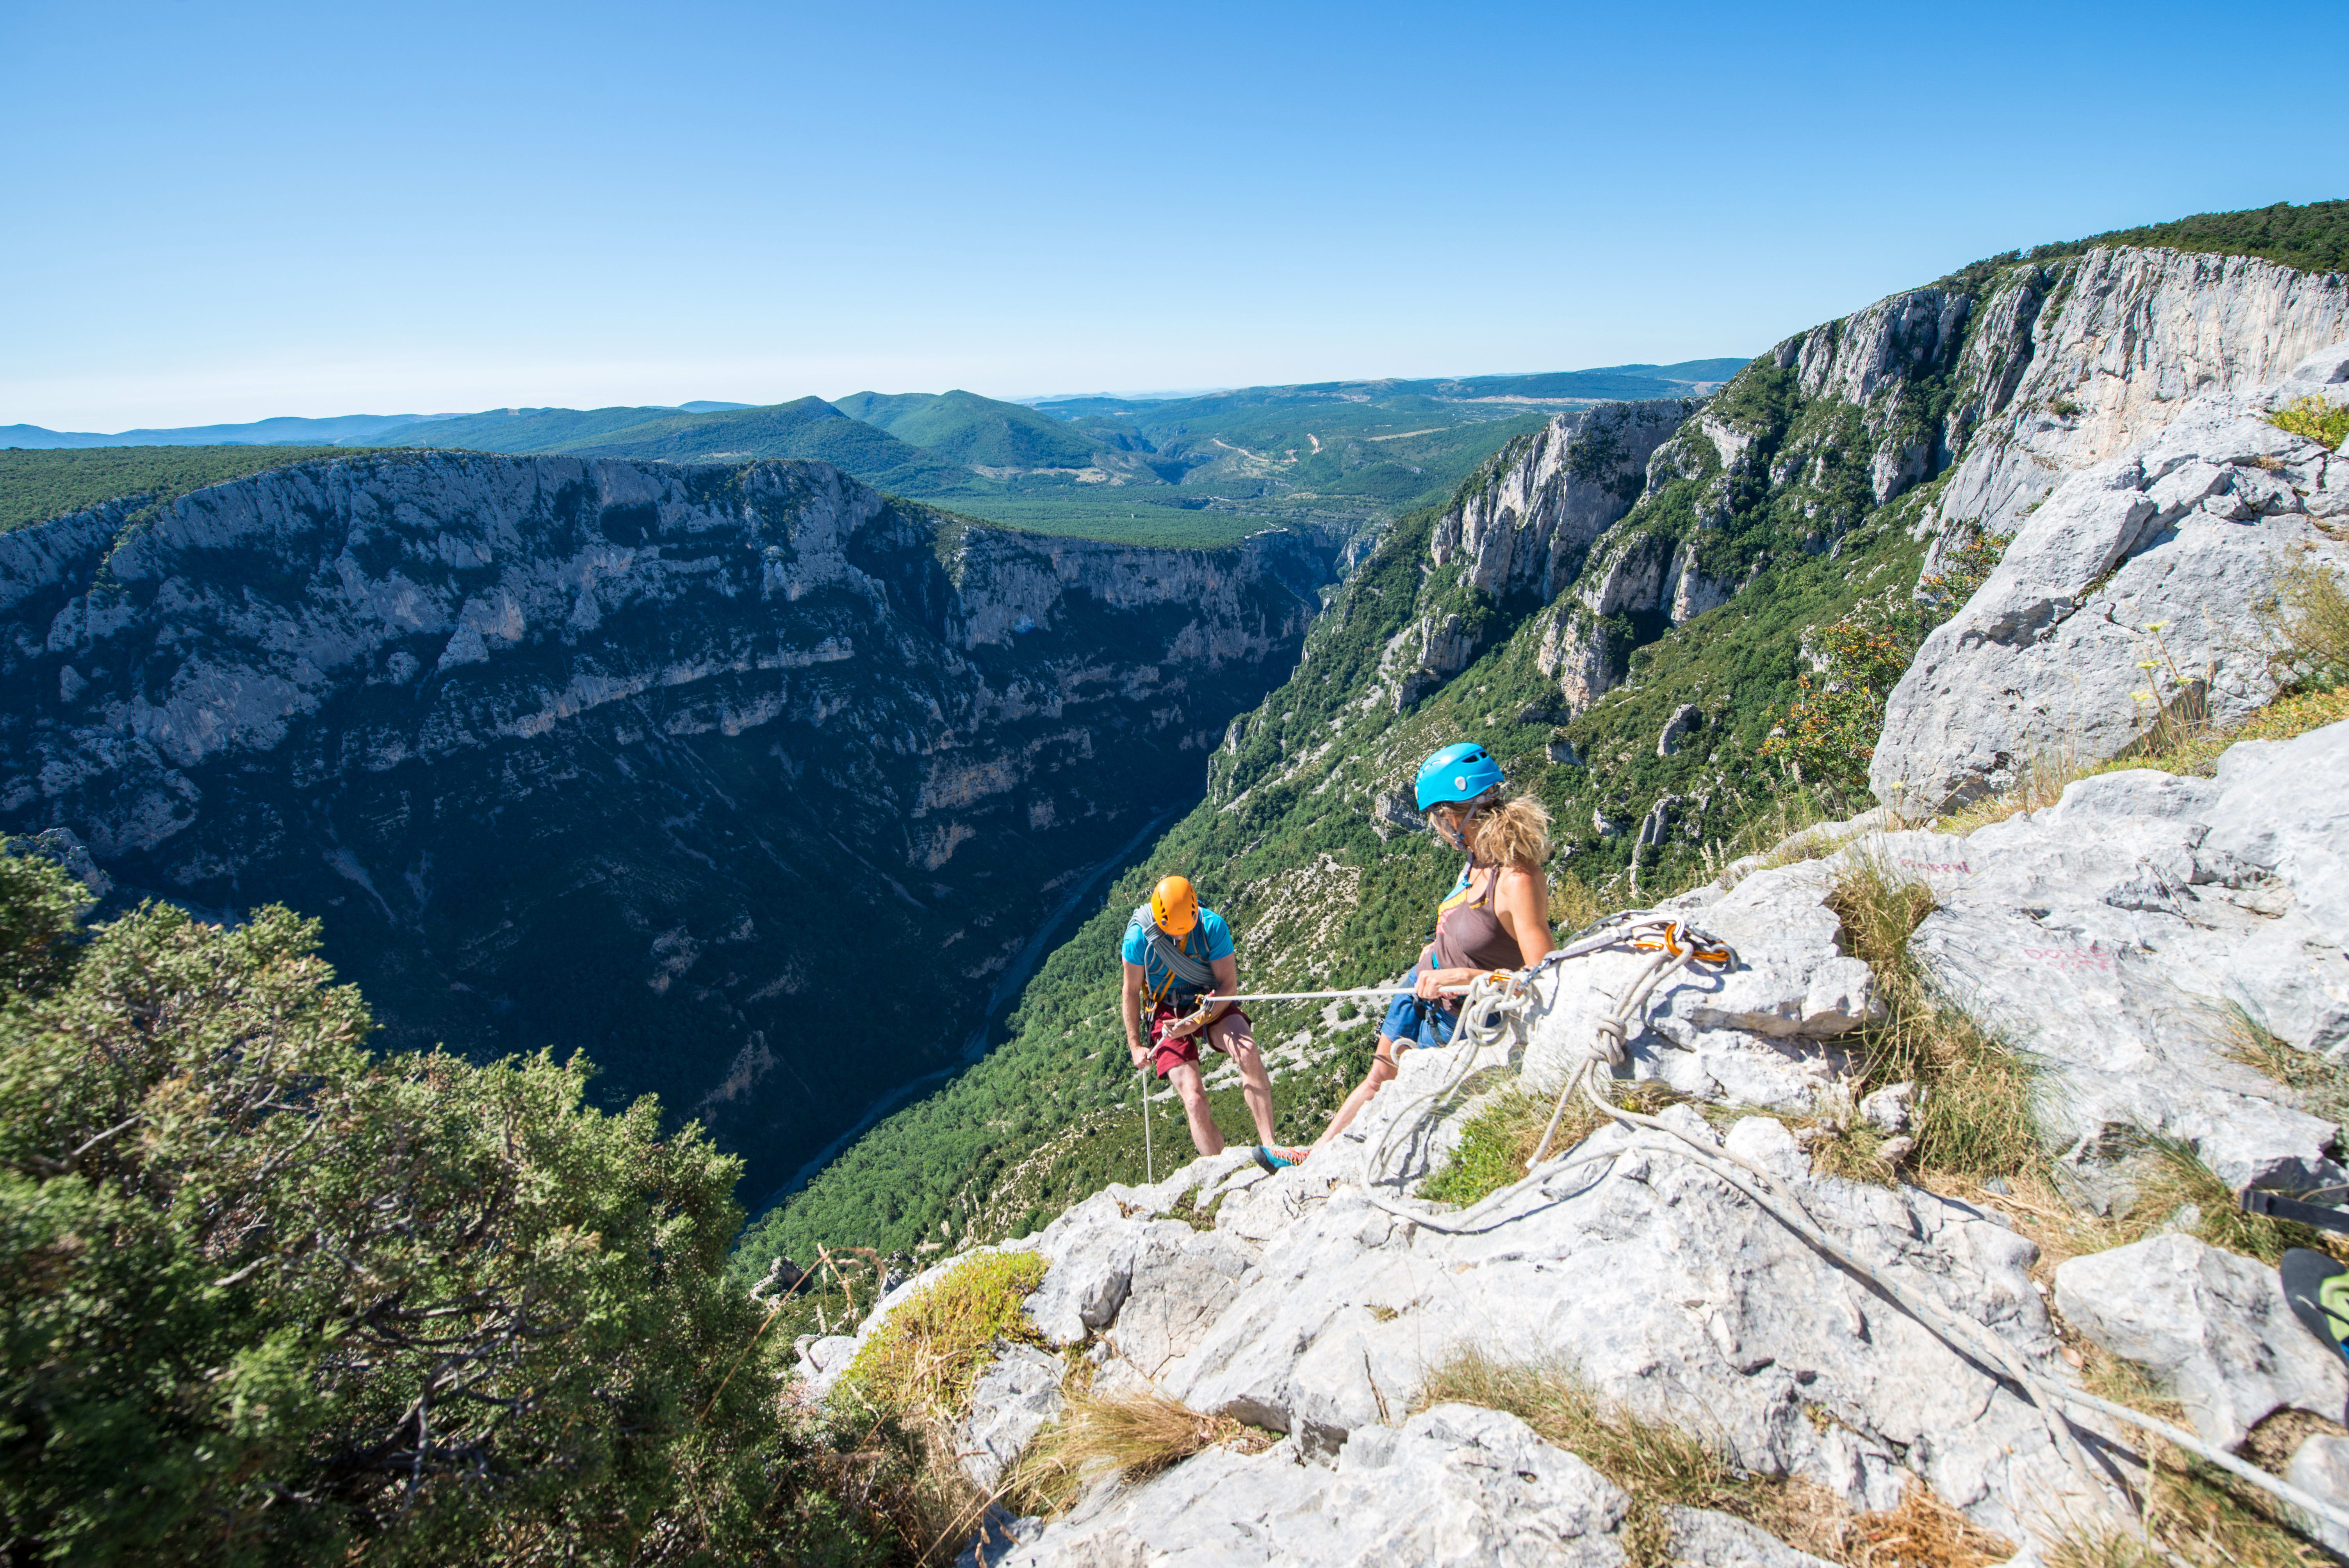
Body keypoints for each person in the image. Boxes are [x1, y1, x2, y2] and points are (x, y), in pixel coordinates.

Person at [1305, 743, 1558, 1158]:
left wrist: (1462, 977)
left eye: (1436, 819)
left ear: (1454, 817)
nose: (1437, 830)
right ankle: (1312, 1154)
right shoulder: (1478, 857)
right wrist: (1440, 949)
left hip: (1454, 1014)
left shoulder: (1516, 877)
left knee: (1403, 1102)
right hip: (1424, 983)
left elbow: (1544, 977)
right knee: (1376, 1076)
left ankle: (1346, 1161)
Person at [1121, 874, 1294, 1167]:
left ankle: (1271, 1147)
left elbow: (1228, 987)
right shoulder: (1139, 939)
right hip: (1166, 1008)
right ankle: (1221, 1171)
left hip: (1209, 999)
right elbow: (1131, 992)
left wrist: (1193, 1023)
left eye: (1183, 932)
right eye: (1171, 934)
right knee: (1194, 1100)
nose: (1178, 939)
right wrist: (1135, 1046)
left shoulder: (1212, 926)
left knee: (1248, 1052)